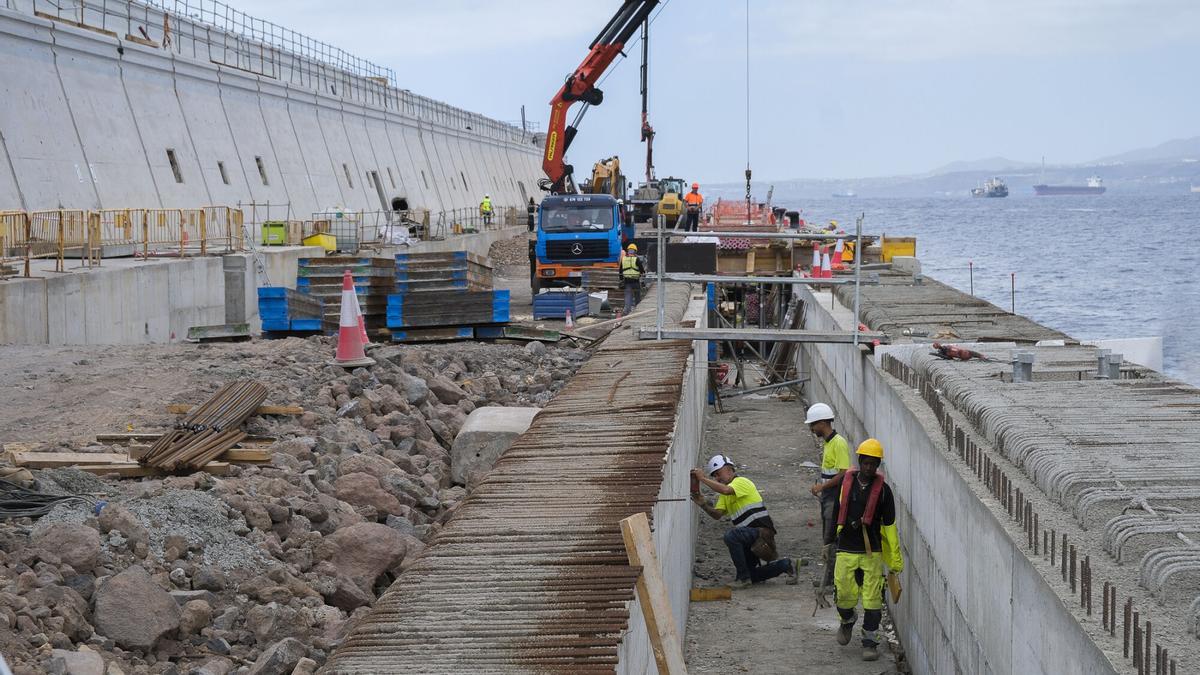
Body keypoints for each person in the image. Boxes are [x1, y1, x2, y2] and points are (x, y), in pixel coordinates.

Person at [831, 439, 904, 662]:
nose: (869, 468)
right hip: (846, 547)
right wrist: (827, 543)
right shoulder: (846, 485)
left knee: (872, 600)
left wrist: (895, 563)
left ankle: (870, 641)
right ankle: (847, 619)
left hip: (872, 551)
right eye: (866, 463)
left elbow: (890, 529)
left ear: (878, 465)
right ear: (860, 461)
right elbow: (834, 514)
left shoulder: (884, 492)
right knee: (843, 594)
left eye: (874, 464)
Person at [691, 454, 798, 589]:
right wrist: (703, 504)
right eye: (714, 476)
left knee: (731, 536)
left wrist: (703, 479)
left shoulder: (741, 482)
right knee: (752, 575)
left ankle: (743, 578)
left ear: (729, 469)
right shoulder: (726, 494)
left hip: (761, 533)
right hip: (748, 538)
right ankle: (785, 565)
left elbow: (725, 489)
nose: (717, 478)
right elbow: (717, 514)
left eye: (718, 474)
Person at [805, 402, 852, 586]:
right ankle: (831, 577)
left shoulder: (838, 443)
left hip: (834, 495)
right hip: (828, 495)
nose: (812, 428)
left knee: (830, 536)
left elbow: (843, 474)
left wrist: (822, 488)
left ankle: (832, 578)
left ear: (823, 423)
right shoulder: (828, 443)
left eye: (813, 424)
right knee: (828, 534)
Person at [620, 243, 645, 310]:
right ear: (635, 251)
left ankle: (627, 312)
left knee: (628, 297)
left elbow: (620, 270)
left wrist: (621, 279)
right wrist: (642, 276)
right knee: (637, 297)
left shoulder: (623, 259)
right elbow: (642, 269)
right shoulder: (636, 259)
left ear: (628, 251)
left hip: (627, 281)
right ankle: (638, 310)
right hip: (636, 281)